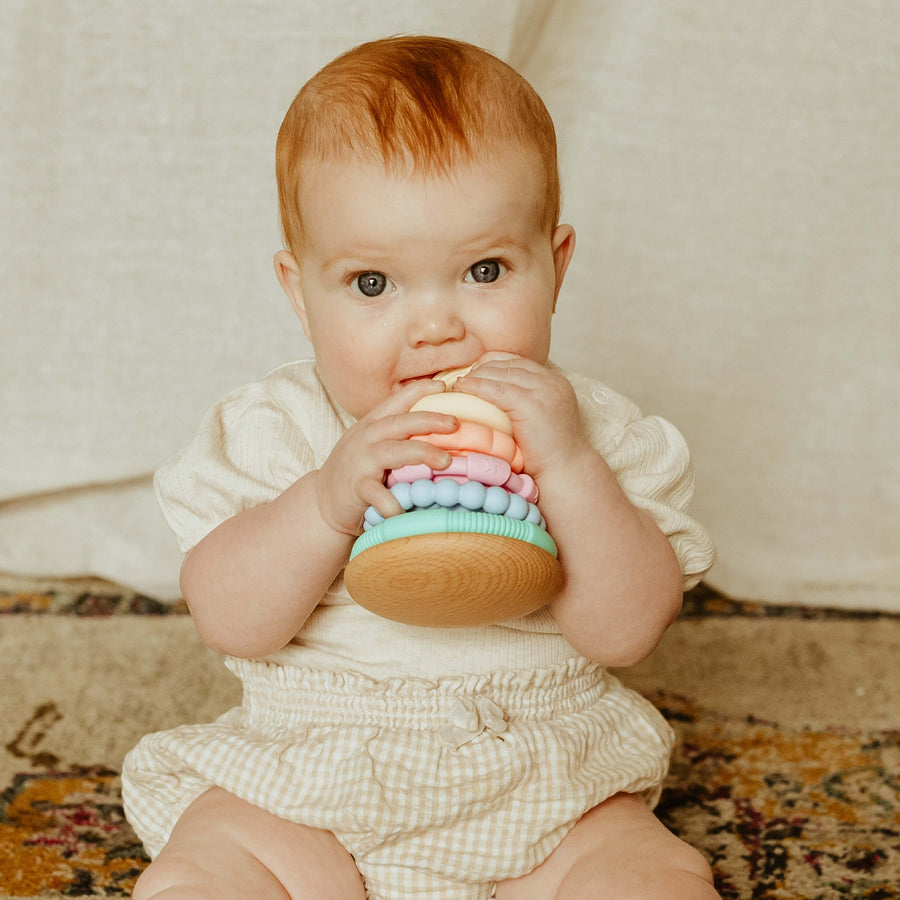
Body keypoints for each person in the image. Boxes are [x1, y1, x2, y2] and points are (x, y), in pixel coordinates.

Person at [122, 35, 719, 900]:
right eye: (373, 284)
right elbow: (230, 617)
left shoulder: (590, 432)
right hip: (308, 781)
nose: (436, 327)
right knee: (216, 863)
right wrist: (326, 502)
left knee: (646, 873)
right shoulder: (280, 430)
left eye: (484, 270)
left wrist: (568, 465)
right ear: (299, 292)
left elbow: (625, 631)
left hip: (544, 777)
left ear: (555, 267)